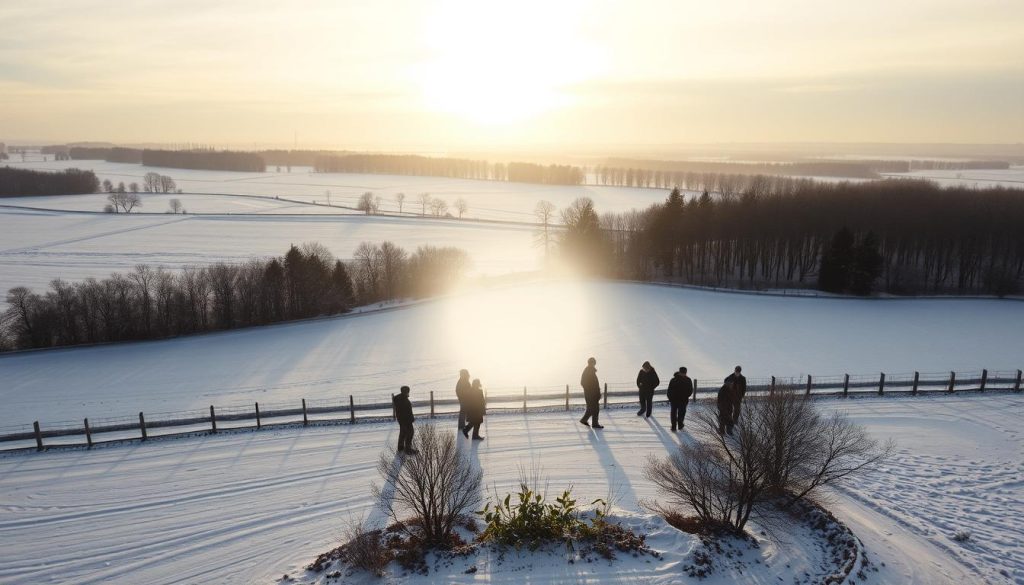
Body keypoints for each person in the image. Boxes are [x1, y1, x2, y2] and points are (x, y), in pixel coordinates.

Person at [579, 357, 604, 429]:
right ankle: (595, 424)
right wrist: (591, 391)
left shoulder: (590, 370)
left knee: (590, 408)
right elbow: (583, 383)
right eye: (593, 362)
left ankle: (584, 420)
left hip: (592, 394)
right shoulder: (588, 371)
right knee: (595, 408)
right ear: (591, 363)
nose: (594, 364)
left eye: (594, 363)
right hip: (591, 395)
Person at [666, 366, 693, 431]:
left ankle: (680, 424)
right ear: (679, 372)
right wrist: (670, 398)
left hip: (683, 400)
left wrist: (686, 396)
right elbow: (669, 390)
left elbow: (690, 390)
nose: (684, 374)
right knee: (673, 413)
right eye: (683, 373)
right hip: (674, 399)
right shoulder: (673, 380)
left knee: (682, 413)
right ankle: (673, 426)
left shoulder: (688, 380)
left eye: (685, 373)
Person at [393, 385, 418, 454]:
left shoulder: (399, 398)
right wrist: (411, 419)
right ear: (405, 391)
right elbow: (406, 411)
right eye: (408, 391)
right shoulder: (403, 399)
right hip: (406, 420)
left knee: (403, 433)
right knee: (410, 433)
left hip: (401, 419)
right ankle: (408, 449)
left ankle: (400, 448)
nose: (408, 392)